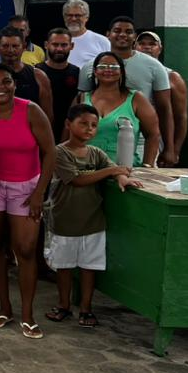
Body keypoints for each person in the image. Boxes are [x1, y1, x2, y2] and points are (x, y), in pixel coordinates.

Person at [0, 64, 56, 339]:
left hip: (27, 188)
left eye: (6, 81)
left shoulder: (30, 110)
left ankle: (28, 314)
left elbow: (50, 153)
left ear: (14, 84)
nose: (1, 87)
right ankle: (4, 307)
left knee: (25, 250)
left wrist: (38, 194)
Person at [45, 103, 141, 329]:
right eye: (84, 124)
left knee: (89, 268)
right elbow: (77, 180)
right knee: (65, 267)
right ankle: (64, 305)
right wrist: (112, 171)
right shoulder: (59, 152)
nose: (89, 129)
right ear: (69, 125)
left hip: (93, 222)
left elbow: (115, 169)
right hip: (65, 220)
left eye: (94, 125)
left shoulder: (96, 153)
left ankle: (86, 308)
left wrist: (122, 179)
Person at [76, 17, 175, 164]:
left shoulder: (154, 67)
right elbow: (80, 109)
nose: (122, 35)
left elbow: (165, 109)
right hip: (93, 143)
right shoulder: (90, 67)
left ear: (134, 37)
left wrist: (169, 148)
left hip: (139, 143)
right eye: (117, 31)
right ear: (108, 34)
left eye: (128, 32)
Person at [82, 52, 160, 166]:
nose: (108, 70)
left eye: (114, 67)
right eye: (102, 66)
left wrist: (147, 166)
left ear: (121, 72)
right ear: (95, 72)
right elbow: (69, 133)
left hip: (125, 171)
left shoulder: (136, 99)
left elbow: (153, 134)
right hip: (87, 169)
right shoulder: (82, 98)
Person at [136, 32, 188, 165]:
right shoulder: (127, 72)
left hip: (159, 139)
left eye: (152, 44)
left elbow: (181, 117)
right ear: (135, 47)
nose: (146, 47)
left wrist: (173, 150)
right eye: (142, 43)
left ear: (160, 48)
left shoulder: (172, 77)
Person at [0, 27, 55, 131]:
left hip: (29, 137)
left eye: (15, 46)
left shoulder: (39, 77)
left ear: (24, 47)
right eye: (5, 46)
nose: (10, 50)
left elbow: (47, 117)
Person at [38, 28, 80, 143]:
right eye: (55, 44)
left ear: (72, 46)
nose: (59, 49)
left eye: (64, 45)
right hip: (39, 130)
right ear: (46, 45)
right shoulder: (36, 72)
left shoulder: (77, 73)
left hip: (70, 132)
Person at [62, 0, 110, 68]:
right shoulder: (56, 42)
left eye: (78, 15)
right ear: (64, 17)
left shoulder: (102, 41)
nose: (73, 19)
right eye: (69, 15)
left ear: (86, 17)